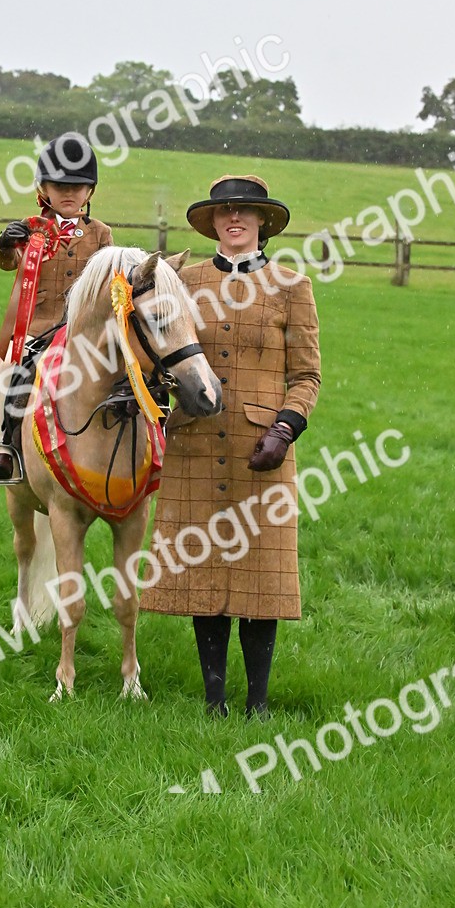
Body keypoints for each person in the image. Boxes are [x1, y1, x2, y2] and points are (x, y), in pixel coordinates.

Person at [139, 175, 321, 718]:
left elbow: (307, 375)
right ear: (212, 222)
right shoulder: (181, 282)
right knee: (202, 571)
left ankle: (258, 703)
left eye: (245, 211)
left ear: (263, 221)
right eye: (224, 211)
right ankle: (214, 699)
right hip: (193, 446)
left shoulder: (293, 286)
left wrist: (285, 429)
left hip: (262, 451)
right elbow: (152, 348)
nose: (234, 218)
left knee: (261, 576)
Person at [0, 133, 113, 484]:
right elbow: (9, 264)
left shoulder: (101, 233)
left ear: (90, 192)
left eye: (78, 186)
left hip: (84, 332)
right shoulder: (31, 228)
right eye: (59, 185)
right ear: (44, 189)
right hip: (37, 329)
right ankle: (4, 447)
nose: (69, 193)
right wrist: (5, 244)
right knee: (13, 377)